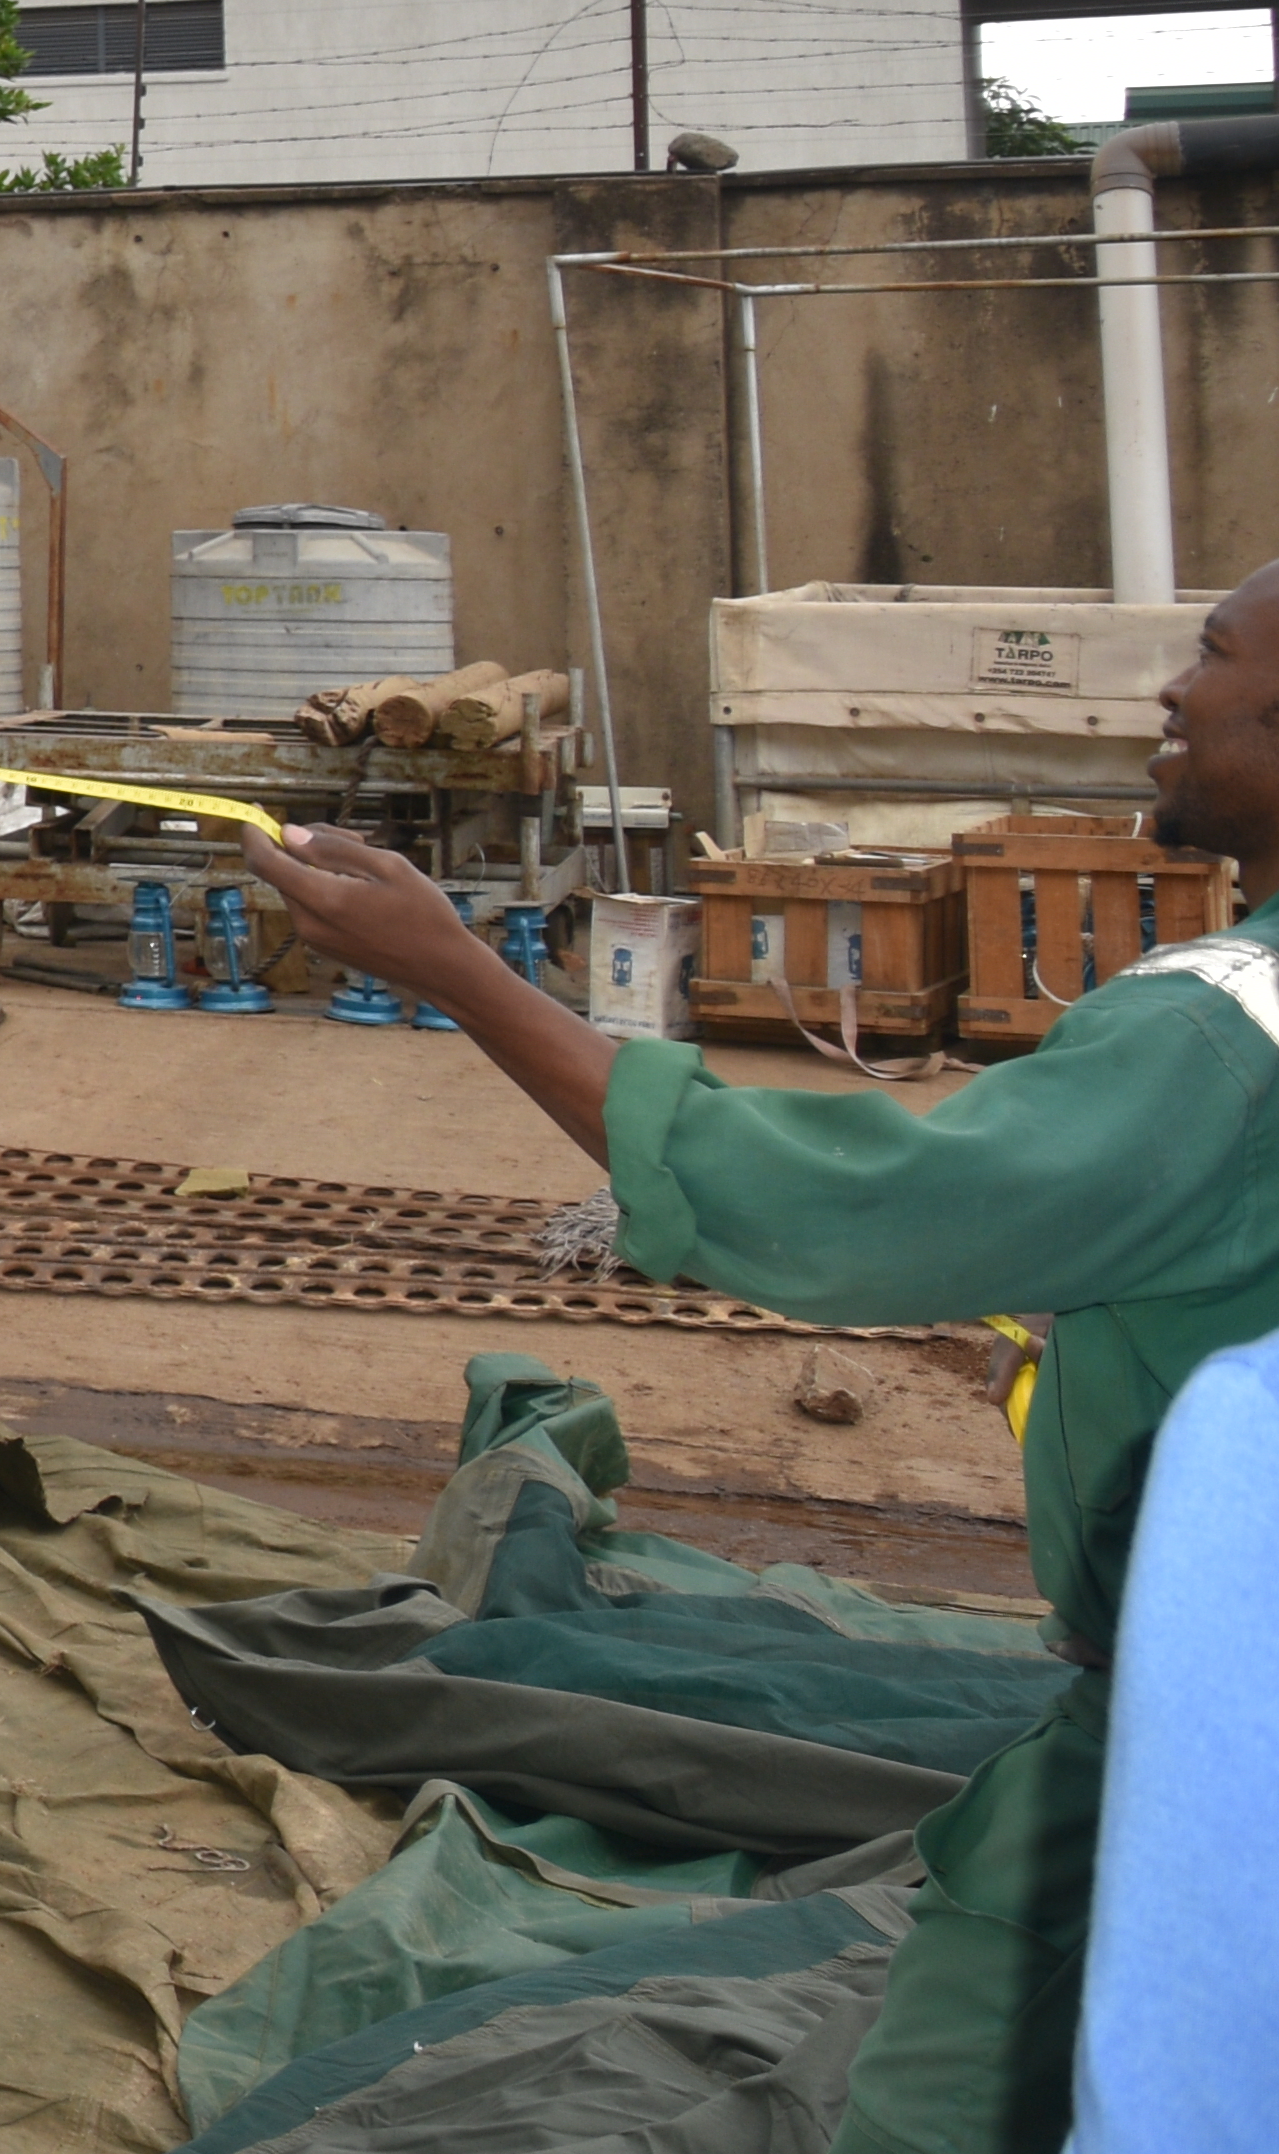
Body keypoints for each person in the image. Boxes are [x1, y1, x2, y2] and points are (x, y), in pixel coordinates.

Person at [256, 554, 1279, 2154]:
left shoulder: (1219, 1037)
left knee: (957, 2070)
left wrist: (455, 971)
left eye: (1210, 657)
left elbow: (869, 1211)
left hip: (1212, 1720)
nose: (1168, 691)